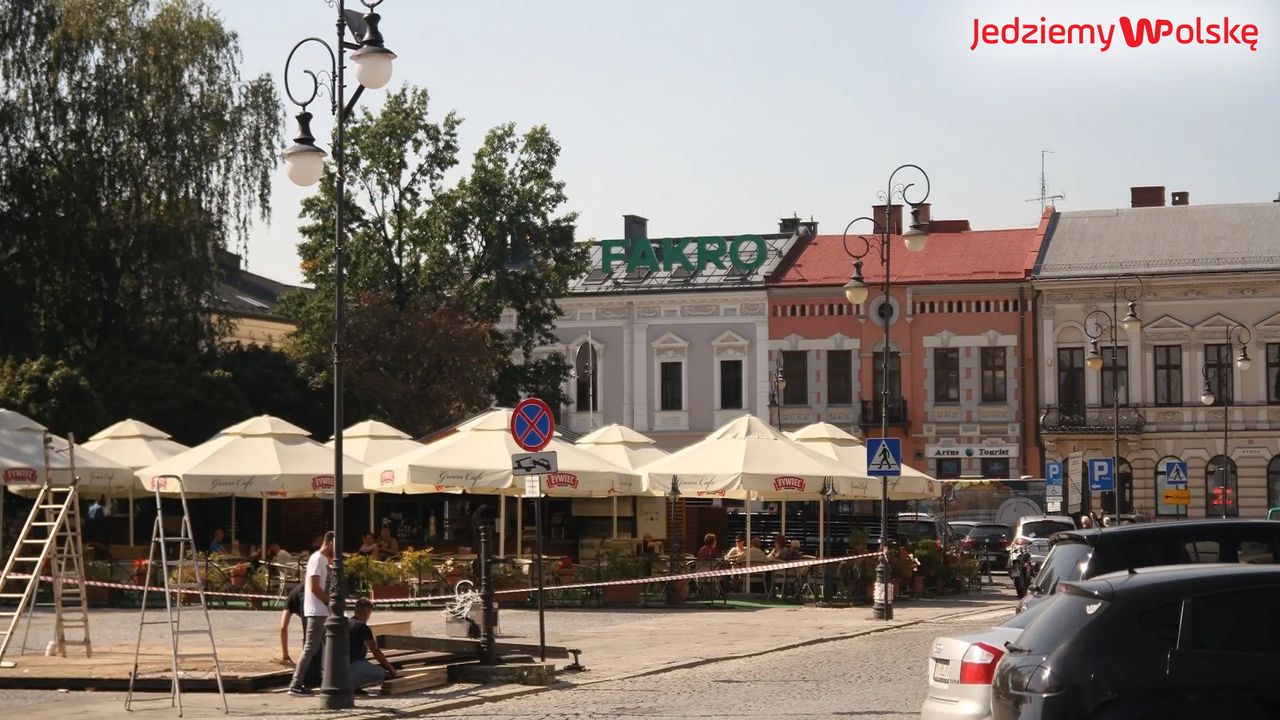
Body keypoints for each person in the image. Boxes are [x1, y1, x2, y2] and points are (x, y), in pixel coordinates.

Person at [289, 530, 333, 696]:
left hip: (320, 610)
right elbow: (314, 587)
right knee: (310, 647)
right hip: (317, 610)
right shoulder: (318, 559)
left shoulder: (320, 559)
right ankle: (296, 684)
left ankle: (328, 680)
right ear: (330, 543)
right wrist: (328, 601)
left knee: (329, 646)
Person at [277, 583, 323, 687]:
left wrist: (285, 653)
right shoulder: (292, 600)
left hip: (309, 599)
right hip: (314, 599)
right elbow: (283, 628)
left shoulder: (291, 601)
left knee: (309, 642)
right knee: (315, 641)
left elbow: (283, 627)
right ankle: (315, 678)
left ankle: (308, 679)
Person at [349, 597, 397, 693]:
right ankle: (352, 685)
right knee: (380, 673)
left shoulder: (347, 623)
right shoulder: (362, 627)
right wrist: (391, 669)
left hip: (339, 667)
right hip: (352, 666)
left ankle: (354, 685)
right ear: (366, 613)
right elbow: (376, 651)